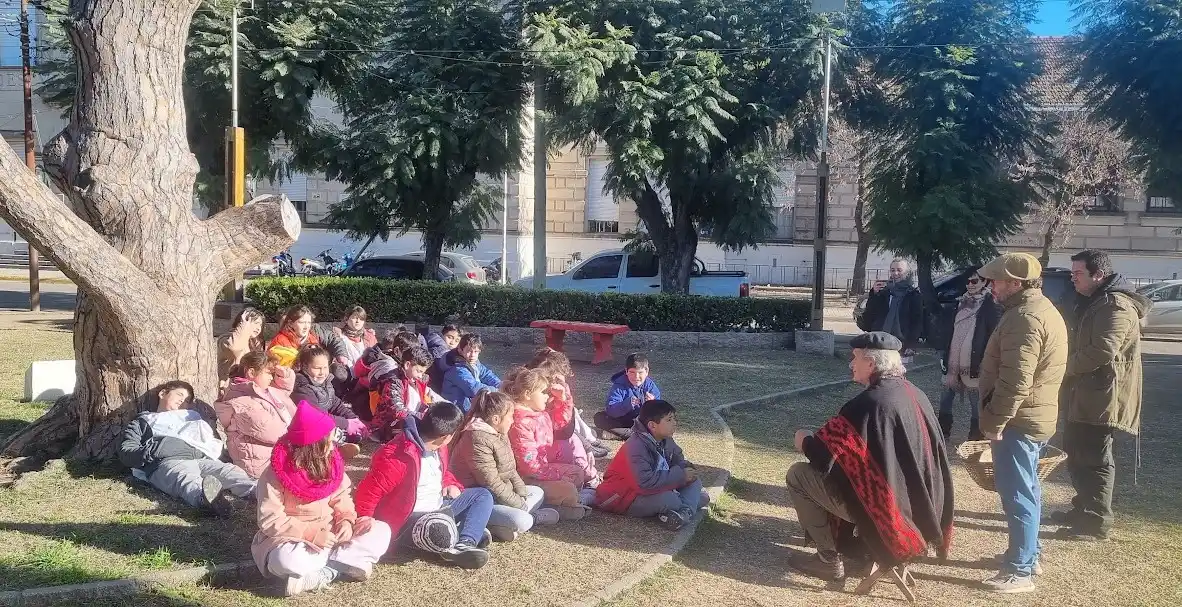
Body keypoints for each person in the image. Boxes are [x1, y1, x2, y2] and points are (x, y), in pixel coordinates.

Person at [785, 331, 954, 582]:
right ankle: (861, 549)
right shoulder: (915, 394)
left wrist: (804, 440)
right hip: (924, 510)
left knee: (798, 474)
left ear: (872, 363)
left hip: (891, 516)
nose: (851, 364)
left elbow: (824, 457)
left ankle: (827, 559)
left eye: (855, 358)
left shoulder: (869, 403)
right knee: (855, 476)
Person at [976, 252, 1068, 593]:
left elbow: (1016, 381)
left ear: (1016, 283)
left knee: (1018, 495)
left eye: (996, 281)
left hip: (1018, 421)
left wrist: (996, 421)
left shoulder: (1025, 319)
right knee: (1028, 490)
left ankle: (1020, 570)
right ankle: (1029, 554)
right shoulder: (1036, 310)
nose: (991, 288)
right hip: (1032, 417)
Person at [251, 402, 392, 596]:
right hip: (294, 540)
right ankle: (344, 563)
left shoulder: (333, 463)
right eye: (330, 438)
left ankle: (325, 571)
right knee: (285, 560)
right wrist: (312, 534)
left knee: (382, 531)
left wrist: (346, 520)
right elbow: (270, 520)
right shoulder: (276, 474)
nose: (334, 442)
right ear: (315, 445)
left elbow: (342, 497)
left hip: (332, 534)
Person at [1055, 249, 1149, 541]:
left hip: (1103, 395)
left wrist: (1061, 368)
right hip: (1086, 391)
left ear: (1099, 274)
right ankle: (1083, 507)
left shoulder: (1116, 305)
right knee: (1077, 451)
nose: (1073, 279)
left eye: (1078, 274)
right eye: (1072, 274)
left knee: (1095, 457)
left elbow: (1102, 351)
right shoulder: (1095, 300)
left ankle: (1096, 522)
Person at [353, 402, 495, 570]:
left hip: (439, 505)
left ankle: (465, 542)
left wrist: (450, 483)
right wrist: (365, 519)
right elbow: (369, 491)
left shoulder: (439, 449)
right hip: (410, 519)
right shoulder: (397, 457)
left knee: (482, 495)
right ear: (447, 436)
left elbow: (441, 473)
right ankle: (461, 531)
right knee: (439, 530)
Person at [119, 381, 254, 516]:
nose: (182, 401)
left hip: (201, 459)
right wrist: (157, 449)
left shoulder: (194, 420)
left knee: (229, 471)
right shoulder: (144, 421)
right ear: (162, 393)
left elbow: (210, 443)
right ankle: (206, 499)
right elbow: (127, 452)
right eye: (179, 395)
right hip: (168, 462)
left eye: (187, 400)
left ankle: (258, 491)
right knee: (184, 478)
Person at [451, 391, 561, 541]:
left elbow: (510, 470)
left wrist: (521, 493)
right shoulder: (476, 439)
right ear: (496, 419)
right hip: (482, 500)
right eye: (510, 416)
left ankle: (500, 526)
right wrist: (519, 504)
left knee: (537, 492)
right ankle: (529, 519)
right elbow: (491, 483)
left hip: (500, 494)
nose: (512, 421)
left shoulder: (498, 432)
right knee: (522, 519)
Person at [595, 399, 705, 530]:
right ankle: (684, 509)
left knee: (697, 486)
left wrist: (687, 469)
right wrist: (681, 476)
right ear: (652, 425)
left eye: (674, 419)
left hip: (654, 489)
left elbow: (678, 461)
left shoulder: (666, 440)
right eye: (669, 420)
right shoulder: (635, 446)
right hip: (624, 497)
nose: (675, 423)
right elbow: (645, 483)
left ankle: (681, 514)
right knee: (672, 500)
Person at [506, 368, 593, 520]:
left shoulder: (538, 414)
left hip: (543, 470)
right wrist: (558, 477)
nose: (547, 396)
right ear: (527, 394)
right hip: (524, 477)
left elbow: (561, 424)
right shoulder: (519, 421)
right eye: (543, 392)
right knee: (568, 489)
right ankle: (553, 506)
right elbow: (529, 465)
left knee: (577, 473)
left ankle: (564, 504)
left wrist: (563, 399)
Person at [936, 269, 1002, 441]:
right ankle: (943, 432)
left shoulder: (991, 305)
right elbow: (949, 331)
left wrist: (987, 362)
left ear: (984, 282)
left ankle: (975, 438)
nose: (970, 285)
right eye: (968, 282)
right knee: (945, 400)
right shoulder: (959, 303)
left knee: (977, 404)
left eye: (974, 281)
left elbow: (993, 335)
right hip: (952, 364)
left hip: (975, 363)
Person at [215, 351, 298, 479]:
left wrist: (285, 377)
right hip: (261, 463)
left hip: (277, 454)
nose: (271, 378)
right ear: (252, 373)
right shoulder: (242, 402)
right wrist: (303, 433)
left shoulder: (260, 391)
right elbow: (272, 431)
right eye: (269, 373)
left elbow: (280, 398)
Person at [525, 347, 610, 459]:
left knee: (574, 415)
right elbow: (563, 429)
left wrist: (564, 398)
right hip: (549, 438)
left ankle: (588, 441)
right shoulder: (536, 388)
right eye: (558, 376)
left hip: (560, 428)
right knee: (573, 432)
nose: (562, 380)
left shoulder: (557, 384)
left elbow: (566, 420)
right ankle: (587, 445)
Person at [290, 345, 366, 457]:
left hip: (324, 420)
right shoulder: (302, 388)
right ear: (305, 367)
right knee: (325, 433)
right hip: (308, 425)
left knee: (356, 434)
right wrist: (345, 423)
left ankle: (338, 443)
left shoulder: (325, 382)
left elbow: (334, 402)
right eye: (317, 368)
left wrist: (352, 418)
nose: (322, 372)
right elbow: (317, 416)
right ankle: (334, 447)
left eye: (325, 368)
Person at [368, 346, 443, 442]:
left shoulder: (416, 380)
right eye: (419, 371)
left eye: (423, 372)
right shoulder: (394, 381)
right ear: (407, 365)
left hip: (408, 419)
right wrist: (422, 417)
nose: (421, 375)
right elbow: (397, 410)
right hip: (387, 427)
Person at [859, 258, 924, 357]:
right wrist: (874, 294)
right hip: (880, 340)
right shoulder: (884, 292)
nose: (895, 273)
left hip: (901, 342)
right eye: (893, 270)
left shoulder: (913, 295)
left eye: (899, 270)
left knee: (897, 371)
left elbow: (917, 322)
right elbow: (870, 314)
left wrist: (911, 345)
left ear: (907, 273)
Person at [595, 353, 661, 441]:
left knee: (657, 426)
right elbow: (611, 410)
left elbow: (660, 413)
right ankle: (636, 435)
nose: (636, 377)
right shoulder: (619, 385)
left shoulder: (650, 386)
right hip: (622, 420)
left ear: (647, 371)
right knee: (599, 418)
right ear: (626, 371)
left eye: (640, 372)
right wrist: (627, 404)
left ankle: (618, 435)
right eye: (632, 372)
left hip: (641, 422)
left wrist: (652, 403)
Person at [268, 305, 348, 368]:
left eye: (308, 322)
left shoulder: (313, 335)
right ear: (290, 323)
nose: (306, 327)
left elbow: (333, 339)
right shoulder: (279, 341)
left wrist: (341, 355)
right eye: (302, 322)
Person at [440, 334, 502, 413]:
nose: (473, 355)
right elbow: (473, 388)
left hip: (469, 405)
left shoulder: (473, 362)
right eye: (469, 351)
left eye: (476, 352)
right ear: (460, 350)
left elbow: (486, 374)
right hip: (457, 410)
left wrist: (500, 384)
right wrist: (498, 390)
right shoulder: (457, 368)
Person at [217, 306, 265, 388]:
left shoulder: (253, 343)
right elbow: (234, 347)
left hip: (246, 387)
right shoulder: (227, 338)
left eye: (260, 325)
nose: (258, 328)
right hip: (229, 388)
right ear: (243, 321)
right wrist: (243, 327)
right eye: (255, 323)